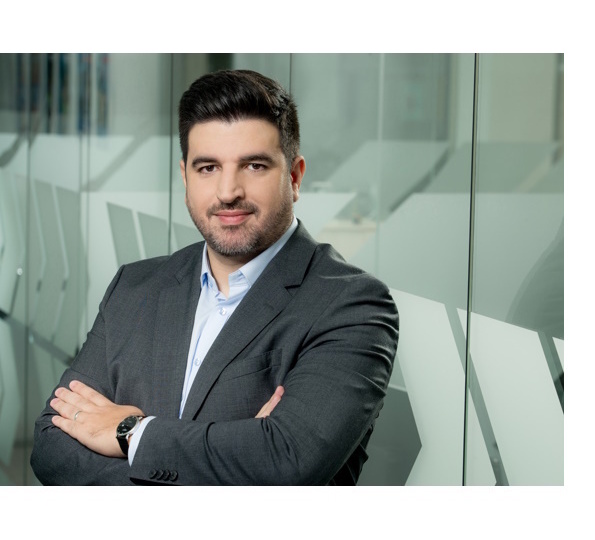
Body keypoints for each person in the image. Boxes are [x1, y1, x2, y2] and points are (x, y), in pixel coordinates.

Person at [30, 69, 399, 485]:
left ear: (294, 177)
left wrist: (130, 432)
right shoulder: (134, 288)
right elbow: (50, 445)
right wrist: (236, 457)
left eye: (254, 166)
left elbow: (288, 460)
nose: (228, 192)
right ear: (185, 176)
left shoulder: (352, 306)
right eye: (208, 168)